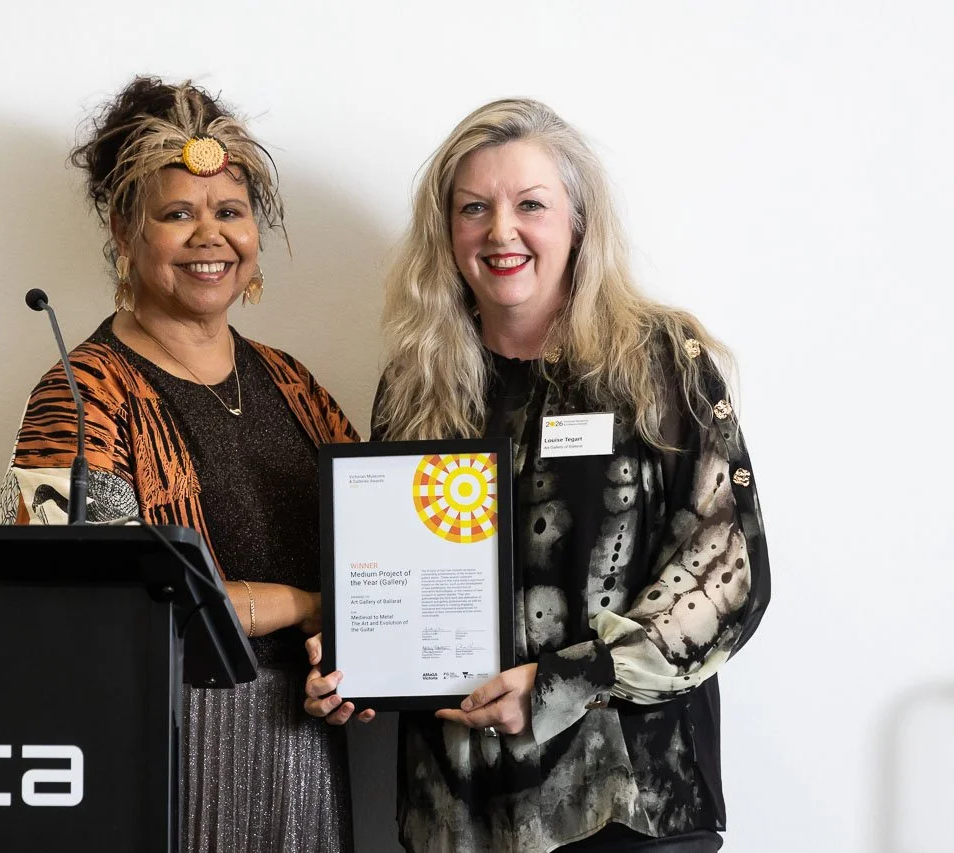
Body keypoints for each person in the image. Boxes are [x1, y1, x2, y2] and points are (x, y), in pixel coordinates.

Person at [305, 98, 770, 852]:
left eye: (530, 205)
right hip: (457, 812)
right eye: (474, 209)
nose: (501, 231)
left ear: (577, 222)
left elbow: (728, 574)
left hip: (626, 801)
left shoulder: (657, 363)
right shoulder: (415, 383)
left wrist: (562, 681)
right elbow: (390, 574)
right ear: (446, 232)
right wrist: (355, 666)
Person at [0, 75, 358, 852]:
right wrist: (306, 604)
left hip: (305, 759)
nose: (210, 236)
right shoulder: (79, 393)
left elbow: (378, 560)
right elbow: (99, 610)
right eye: (177, 213)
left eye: (229, 211)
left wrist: (360, 658)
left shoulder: (295, 386)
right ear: (125, 233)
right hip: (159, 753)